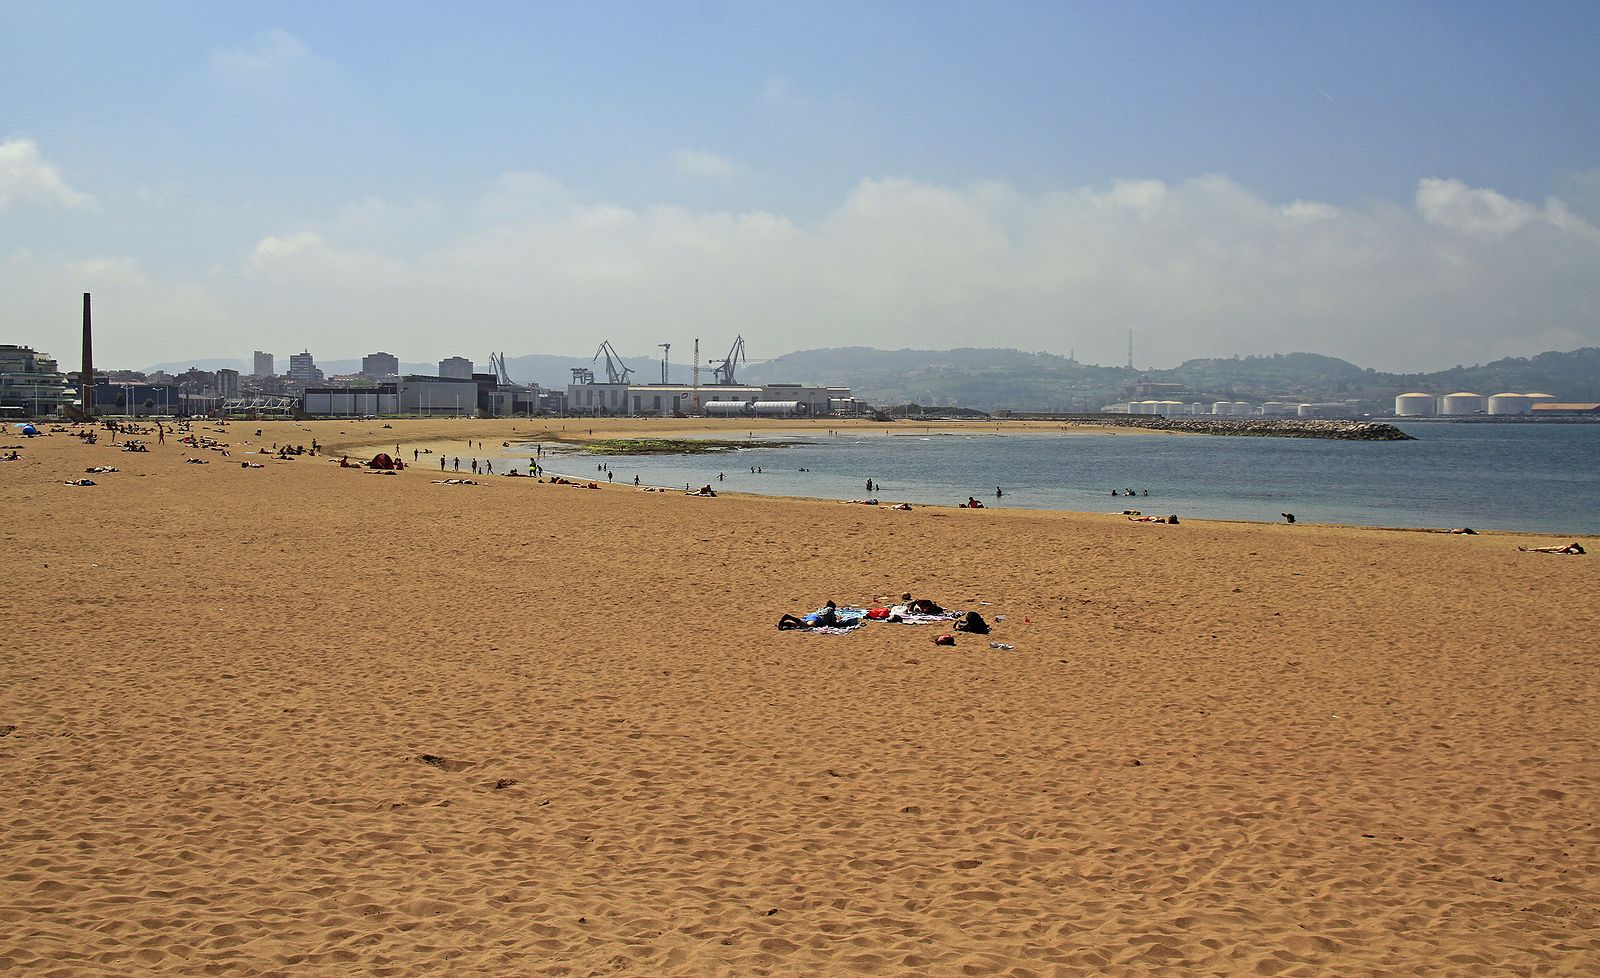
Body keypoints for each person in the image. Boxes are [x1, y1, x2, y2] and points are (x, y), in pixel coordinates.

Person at [1518, 543, 1585, 554]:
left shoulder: (1567, 548)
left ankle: (1525, 550)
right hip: (1552, 548)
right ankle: (1526, 549)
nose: (1572, 542)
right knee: (1539, 548)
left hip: (1552, 549)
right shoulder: (1568, 547)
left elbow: (1560, 551)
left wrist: (1552, 552)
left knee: (1539, 549)